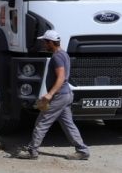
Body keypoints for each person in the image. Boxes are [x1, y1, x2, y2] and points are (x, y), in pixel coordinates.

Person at [16, 30, 90, 160]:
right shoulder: (64, 54)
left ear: (51, 42)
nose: (44, 44)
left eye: (45, 42)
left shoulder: (57, 57)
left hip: (59, 96)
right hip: (66, 94)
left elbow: (61, 77)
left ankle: (32, 151)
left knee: (42, 122)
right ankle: (82, 151)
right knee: (68, 124)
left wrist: (50, 94)